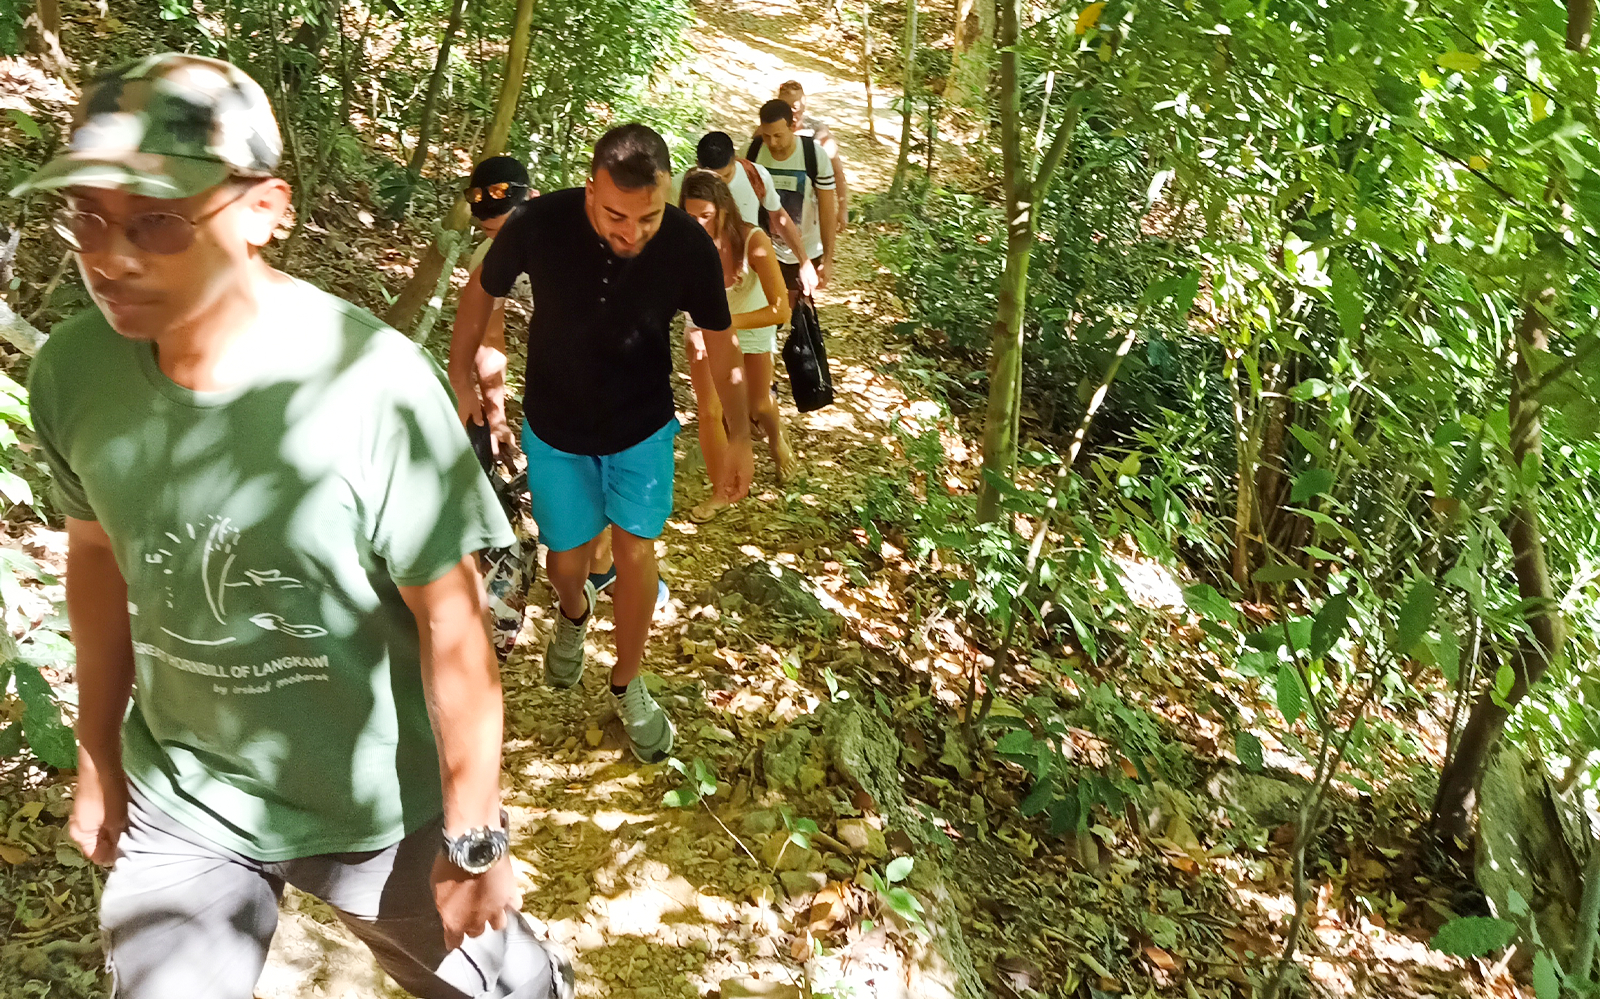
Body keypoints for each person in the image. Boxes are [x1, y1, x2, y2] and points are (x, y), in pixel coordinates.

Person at [15, 54, 572, 998]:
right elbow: (98, 560)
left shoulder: (372, 388)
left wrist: (474, 832)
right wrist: (99, 755)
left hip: (382, 805)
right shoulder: (74, 376)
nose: (110, 255)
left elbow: (453, 620)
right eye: (88, 219)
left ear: (268, 209)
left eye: (155, 219)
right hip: (187, 794)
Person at [450, 124, 750, 764]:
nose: (632, 232)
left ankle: (627, 680)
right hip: (556, 430)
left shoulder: (687, 245)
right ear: (591, 190)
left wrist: (739, 433)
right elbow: (481, 289)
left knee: (638, 552)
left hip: (641, 429)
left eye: (647, 216)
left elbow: (719, 341)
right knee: (568, 562)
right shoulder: (539, 222)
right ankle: (573, 610)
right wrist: (461, 375)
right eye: (617, 215)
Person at [679, 170, 795, 522]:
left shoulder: (752, 240)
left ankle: (776, 440)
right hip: (703, 326)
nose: (697, 224)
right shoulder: (682, 242)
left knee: (757, 404)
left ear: (724, 211)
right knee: (710, 412)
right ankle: (720, 492)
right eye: (690, 216)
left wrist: (727, 324)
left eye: (706, 216)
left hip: (751, 322)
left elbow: (780, 309)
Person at [668, 131, 816, 296]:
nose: (720, 185)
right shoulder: (680, 187)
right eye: (712, 178)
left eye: (726, 176)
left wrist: (804, 261)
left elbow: (779, 217)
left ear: (735, 159)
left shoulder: (755, 176)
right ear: (698, 166)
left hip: (749, 280)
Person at [749, 99, 838, 307]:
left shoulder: (814, 156)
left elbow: (826, 211)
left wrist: (827, 259)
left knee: (799, 311)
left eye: (778, 136)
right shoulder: (751, 153)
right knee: (766, 310)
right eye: (767, 136)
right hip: (763, 248)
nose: (772, 143)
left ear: (793, 127)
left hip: (805, 249)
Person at [777, 80, 850, 233]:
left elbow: (837, 171)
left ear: (803, 105)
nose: (791, 112)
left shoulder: (818, 134)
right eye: (785, 107)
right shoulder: (768, 132)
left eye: (795, 107)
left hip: (810, 218)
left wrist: (843, 208)